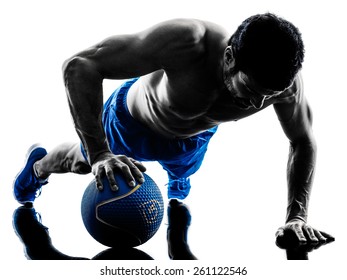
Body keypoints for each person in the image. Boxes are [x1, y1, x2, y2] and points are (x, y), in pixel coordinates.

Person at [14, 13, 334, 252]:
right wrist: (99, 154)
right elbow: (80, 65)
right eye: (252, 89)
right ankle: (39, 166)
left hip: (192, 140)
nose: (259, 104)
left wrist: (297, 217)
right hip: (131, 125)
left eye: (270, 95)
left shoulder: (286, 86)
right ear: (228, 57)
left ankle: (177, 172)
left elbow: (302, 141)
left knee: (185, 167)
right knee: (82, 162)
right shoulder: (188, 42)